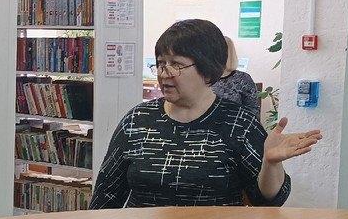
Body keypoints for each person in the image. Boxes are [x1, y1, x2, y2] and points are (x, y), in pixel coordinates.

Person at [90, 19, 320, 209]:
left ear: (207, 70)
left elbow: (268, 201)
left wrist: (270, 164)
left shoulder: (239, 123)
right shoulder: (137, 120)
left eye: (176, 64)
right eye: (160, 63)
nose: (164, 73)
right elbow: (105, 197)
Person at [210, 36, 259, 112]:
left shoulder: (243, 78)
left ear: (229, 54)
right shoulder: (202, 77)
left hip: (236, 119)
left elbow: (253, 110)